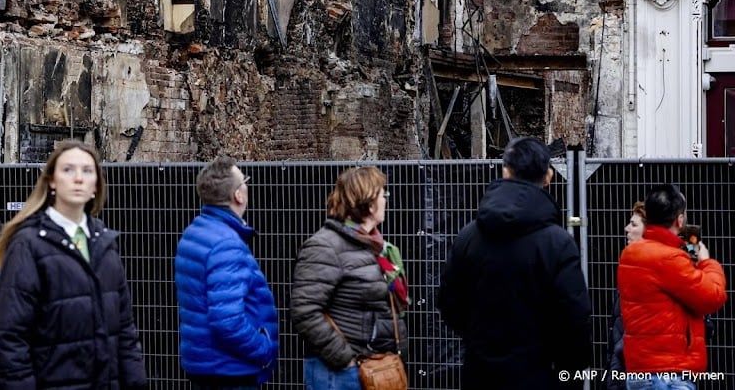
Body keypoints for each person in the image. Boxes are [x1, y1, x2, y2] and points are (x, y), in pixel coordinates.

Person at [0, 139, 147, 389]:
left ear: (96, 183)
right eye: (68, 169)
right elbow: (10, 339)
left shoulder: (105, 243)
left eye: (87, 170)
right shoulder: (28, 244)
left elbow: (125, 330)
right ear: (52, 181)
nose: (78, 178)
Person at [437, 136, 591, 389]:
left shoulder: (468, 236)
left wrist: (481, 337)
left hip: (480, 373)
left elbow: (449, 303)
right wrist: (568, 373)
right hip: (540, 374)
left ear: (505, 170)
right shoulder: (557, 243)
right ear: (548, 177)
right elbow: (574, 319)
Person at [291, 165, 408, 390]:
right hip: (339, 375)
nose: (385, 200)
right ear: (367, 200)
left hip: (372, 369)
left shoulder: (374, 247)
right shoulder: (325, 246)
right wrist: (345, 359)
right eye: (382, 194)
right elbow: (304, 310)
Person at [175, 157, 279, 389]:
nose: (246, 186)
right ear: (238, 195)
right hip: (230, 370)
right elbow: (227, 320)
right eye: (244, 182)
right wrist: (264, 349)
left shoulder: (196, 232)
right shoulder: (226, 244)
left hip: (207, 363)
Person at [617, 184, 727, 389]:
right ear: (680, 220)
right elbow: (712, 296)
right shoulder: (670, 259)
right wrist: (706, 262)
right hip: (668, 373)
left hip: (639, 369)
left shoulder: (630, 254)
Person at [606, 201, 646, 390]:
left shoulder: (649, 268)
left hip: (637, 363)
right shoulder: (631, 263)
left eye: (634, 224)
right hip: (623, 361)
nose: (627, 228)